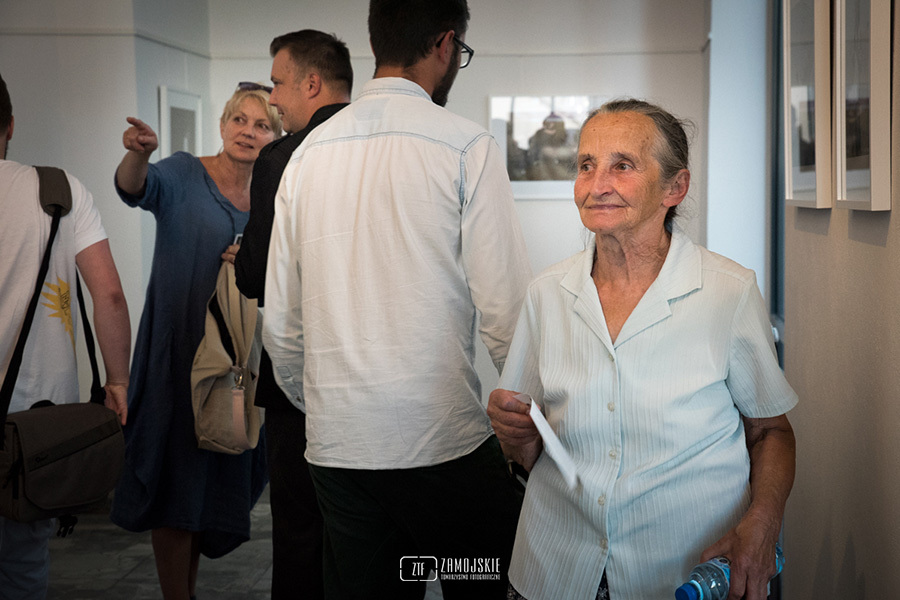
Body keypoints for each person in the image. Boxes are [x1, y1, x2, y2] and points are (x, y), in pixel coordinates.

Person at [262, 1, 533, 598]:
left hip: (339, 450)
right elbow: (507, 313)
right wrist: (527, 431)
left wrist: (328, 409)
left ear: (376, 42)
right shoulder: (465, 146)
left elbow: (281, 323)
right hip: (441, 441)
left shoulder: (306, 154)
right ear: (445, 44)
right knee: (484, 577)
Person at [488, 99, 798, 600]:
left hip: (683, 572)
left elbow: (771, 433)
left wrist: (763, 524)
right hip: (554, 569)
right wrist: (514, 433)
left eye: (622, 166)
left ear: (675, 188)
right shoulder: (546, 293)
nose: (597, 184)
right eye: (585, 165)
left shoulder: (728, 291)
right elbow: (527, 451)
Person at [109, 84, 279, 600]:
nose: (248, 132)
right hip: (175, 361)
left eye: (262, 125)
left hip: (233, 366)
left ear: (275, 137)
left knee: (211, 487)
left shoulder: (274, 197)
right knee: (174, 489)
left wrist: (255, 264)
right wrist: (138, 155)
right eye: (239, 120)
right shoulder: (183, 173)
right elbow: (135, 188)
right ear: (223, 125)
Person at [229, 29, 352, 600]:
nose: (272, 98)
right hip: (376, 375)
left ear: (312, 83)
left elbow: (256, 276)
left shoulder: (283, 157)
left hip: (300, 374)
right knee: (364, 537)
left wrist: (241, 257)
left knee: (301, 532)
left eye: (278, 83)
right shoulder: (383, 149)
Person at [0, 71, 131, 600]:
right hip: (35, 423)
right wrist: (117, 381)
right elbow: (110, 296)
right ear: (10, 125)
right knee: (23, 562)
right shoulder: (58, 190)